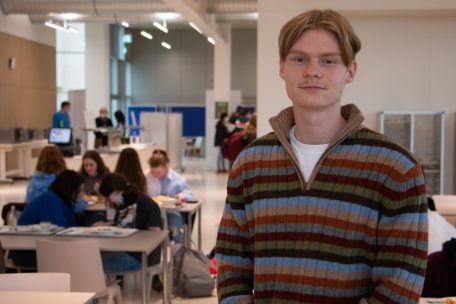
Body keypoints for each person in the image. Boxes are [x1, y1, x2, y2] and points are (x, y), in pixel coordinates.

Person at [216, 9, 428, 304]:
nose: (312, 71)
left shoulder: (395, 167)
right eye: (299, 58)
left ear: (350, 71)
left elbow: (400, 284)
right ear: (282, 67)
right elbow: (231, 266)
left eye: (328, 61)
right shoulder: (251, 163)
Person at [97, 173, 163, 291]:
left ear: (116, 192)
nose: (108, 201)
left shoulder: (145, 203)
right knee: (90, 257)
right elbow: (121, 226)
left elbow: (156, 235)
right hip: (121, 251)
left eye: (108, 196)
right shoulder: (123, 204)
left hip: (137, 256)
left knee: (89, 261)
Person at [12, 170, 84, 267]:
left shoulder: (63, 201)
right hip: (28, 251)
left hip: (38, 247)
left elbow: (69, 228)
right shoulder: (50, 200)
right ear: (70, 189)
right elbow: (60, 230)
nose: (82, 194)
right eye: (80, 190)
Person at [146, 149, 192, 244]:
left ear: (166, 167)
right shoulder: (148, 177)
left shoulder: (177, 179)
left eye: (158, 173)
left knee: (174, 226)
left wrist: (182, 196)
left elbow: (189, 195)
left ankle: (177, 252)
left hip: (171, 213)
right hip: (152, 213)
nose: (155, 176)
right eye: (153, 172)